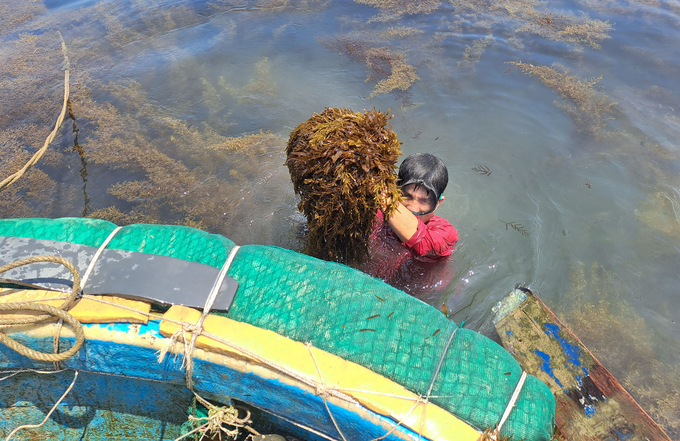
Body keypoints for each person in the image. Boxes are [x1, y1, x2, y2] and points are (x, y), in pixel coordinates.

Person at [360, 153, 458, 296]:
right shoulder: (378, 214)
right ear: (396, 190)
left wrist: (384, 196)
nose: (412, 207)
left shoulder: (446, 233)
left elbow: (422, 245)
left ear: (438, 202)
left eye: (424, 201)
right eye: (406, 196)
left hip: (419, 296)